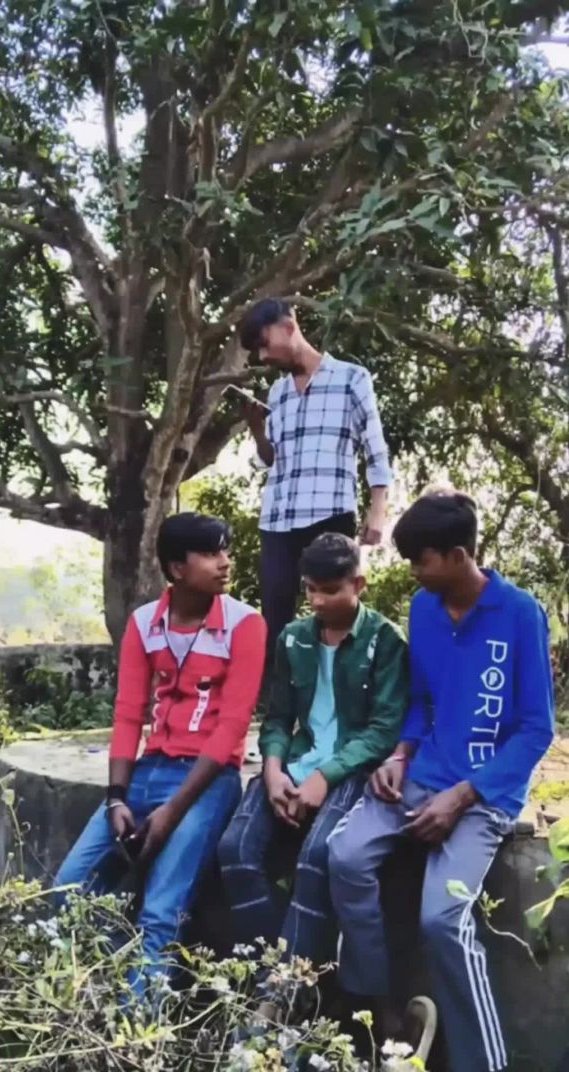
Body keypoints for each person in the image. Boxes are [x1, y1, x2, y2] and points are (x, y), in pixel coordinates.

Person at [328, 492, 555, 1072]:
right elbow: (422, 702)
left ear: (458, 555)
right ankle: (381, 1012)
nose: (412, 571)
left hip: (485, 796)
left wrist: (465, 795)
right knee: (345, 855)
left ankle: (485, 1065)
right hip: (420, 776)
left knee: (442, 919)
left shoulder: (520, 613)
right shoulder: (424, 609)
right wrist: (401, 753)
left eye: (420, 560)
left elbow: (537, 729)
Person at [55, 513, 267, 994]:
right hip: (148, 771)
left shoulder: (245, 624)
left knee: (161, 910)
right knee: (68, 892)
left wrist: (172, 811)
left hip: (208, 780)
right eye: (210, 553)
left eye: (225, 551)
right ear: (176, 568)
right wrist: (116, 797)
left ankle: (136, 1027)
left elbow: (232, 727)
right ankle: (112, 985)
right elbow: (129, 713)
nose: (225, 562)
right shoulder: (144, 623)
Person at [218, 533, 408, 969]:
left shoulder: (385, 640)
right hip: (294, 764)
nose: (318, 601)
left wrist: (325, 776)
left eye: (330, 590)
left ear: (358, 585)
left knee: (316, 858)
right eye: (310, 589)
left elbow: (383, 730)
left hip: (351, 769)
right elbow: (278, 718)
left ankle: (285, 990)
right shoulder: (293, 638)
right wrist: (272, 771)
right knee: (234, 849)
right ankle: (268, 969)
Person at [237, 298, 391, 660]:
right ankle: (279, 694)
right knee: (275, 617)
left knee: (336, 612)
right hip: (278, 519)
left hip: (329, 512)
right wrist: (257, 429)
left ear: (288, 327)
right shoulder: (278, 393)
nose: (263, 356)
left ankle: (338, 688)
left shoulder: (351, 378)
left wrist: (378, 511)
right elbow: (271, 459)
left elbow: (375, 447)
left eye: (264, 344)